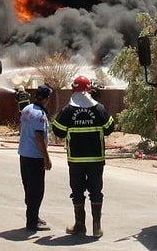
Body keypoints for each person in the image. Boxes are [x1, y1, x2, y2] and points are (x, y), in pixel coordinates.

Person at [51, 75, 115, 238]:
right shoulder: (99, 108)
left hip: (76, 160)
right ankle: (96, 227)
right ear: (89, 90)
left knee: (77, 192)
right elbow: (109, 128)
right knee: (96, 191)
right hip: (96, 160)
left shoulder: (68, 110)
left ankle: (80, 226)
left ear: (73, 90)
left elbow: (58, 130)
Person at [18, 84, 53, 232]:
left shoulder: (26, 110)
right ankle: (32, 222)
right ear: (46, 99)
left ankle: (33, 217)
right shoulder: (40, 115)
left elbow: (22, 128)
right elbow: (39, 137)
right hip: (35, 157)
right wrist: (46, 157)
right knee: (37, 191)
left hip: (24, 155)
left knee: (29, 188)